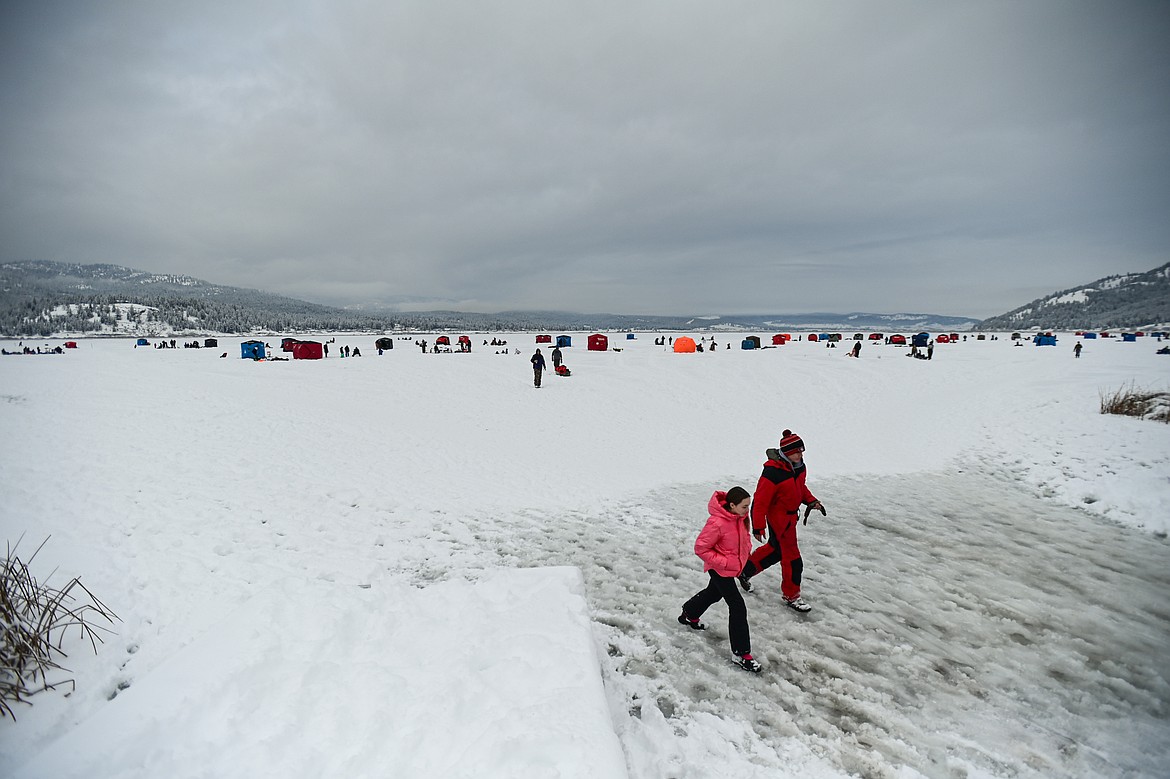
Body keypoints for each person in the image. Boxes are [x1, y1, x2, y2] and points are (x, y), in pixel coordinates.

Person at [737, 430, 825, 613]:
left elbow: (800, 488)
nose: (800, 454)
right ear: (786, 452)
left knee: (776, 550)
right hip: (779, 520)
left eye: (801, 451)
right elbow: (760, 501)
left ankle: (745, 571)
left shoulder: (799, 466)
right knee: (793, 560)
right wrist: (758, 526)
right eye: (796, 451)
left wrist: (811, 501)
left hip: (791, 518)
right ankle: (792, 596)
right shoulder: (773, 472)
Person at [678, 486, 761, 672]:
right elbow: (701, 548)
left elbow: (741, 540)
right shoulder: (717, 523)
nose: (748, 510)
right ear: (732, 505)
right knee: (737, 606)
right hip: (720, 569)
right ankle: (741, 653)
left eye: (749, 506)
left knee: (713, 594)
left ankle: (689, 614)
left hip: (731, 568)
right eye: (744, 507)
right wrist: (724, 563)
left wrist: (743, 557)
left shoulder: (739, 518)